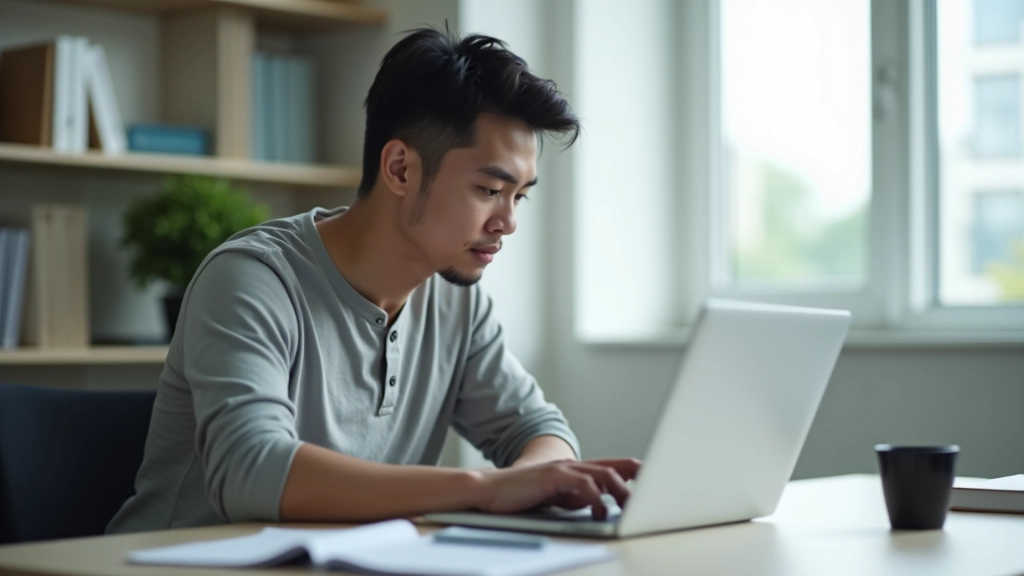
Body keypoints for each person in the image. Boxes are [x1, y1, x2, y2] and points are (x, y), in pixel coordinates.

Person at [107, 27, 640, 534]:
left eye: (519, 196)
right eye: (488, 190)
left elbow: (541, 432)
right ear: (401, 169)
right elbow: (251, 472)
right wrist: (484, 488)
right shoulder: (252, 279)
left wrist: (537, 478)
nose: (508, 222)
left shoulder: (456, 303)